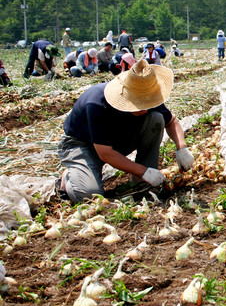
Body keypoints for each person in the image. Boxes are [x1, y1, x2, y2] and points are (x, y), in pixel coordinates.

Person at [57, 59, 194, 202]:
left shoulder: (146, 94)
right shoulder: (97, 104)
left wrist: (182, 148)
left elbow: (171, 121)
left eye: (146, 104)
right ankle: (70, 176)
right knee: (89, 196)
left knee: (156, 118)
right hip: (83, 145)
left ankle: (141, 181)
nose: (145, 109)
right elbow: (105, 153)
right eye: (139, 105)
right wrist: (143, 171)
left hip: (115, 138)